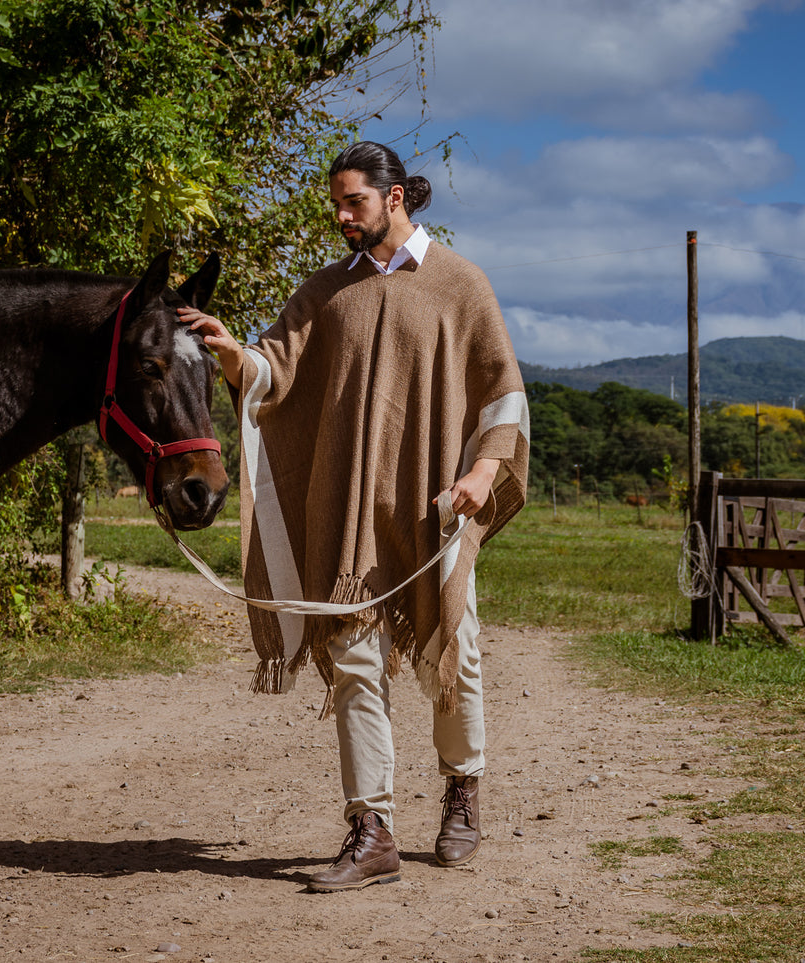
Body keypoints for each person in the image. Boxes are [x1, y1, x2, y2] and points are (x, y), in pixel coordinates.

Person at [180, 141, 529, 893]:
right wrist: (232, 351)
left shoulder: (460, 285)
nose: (341, 217)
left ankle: (461, 784)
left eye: (354, 203)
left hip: (435, 512)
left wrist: (480, 470)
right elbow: (275, 370)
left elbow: (503, 393)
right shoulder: (324, 290)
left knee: (452, 656)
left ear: (394, 196)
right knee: (352, 664)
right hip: (350, 517)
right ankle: (371, 829)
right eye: (335, 205)